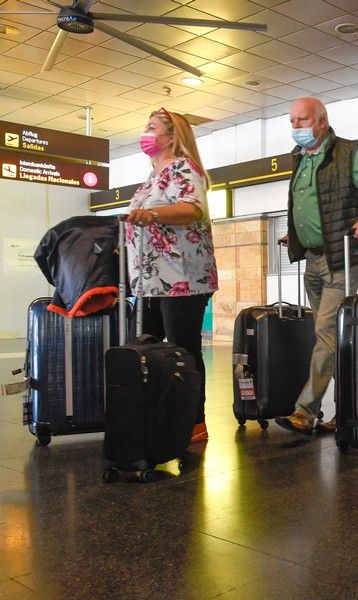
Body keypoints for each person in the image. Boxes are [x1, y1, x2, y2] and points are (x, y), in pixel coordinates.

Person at [276, 97, 358, 435]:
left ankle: (305, 412)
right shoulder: (300, 159)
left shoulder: (349, 154)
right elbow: (314, 205)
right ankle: (348, 407)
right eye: (292, 121)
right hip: (313, 260)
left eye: (301, 120)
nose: (295, 127)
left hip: (343, 258)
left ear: (322, 122)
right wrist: (297, 234)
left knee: (327, 334)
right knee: (332, 339)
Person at [124, 108, 217, 443]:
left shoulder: (183, 167)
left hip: (181, 277)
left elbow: (192, 208)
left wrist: (150, 214)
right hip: (150, 280)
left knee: (183, 348)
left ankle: (196, 421)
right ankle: (159, 413)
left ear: (171, 136)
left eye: (151, 127)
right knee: (145, 345)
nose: (145, 133)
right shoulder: (151, 177)